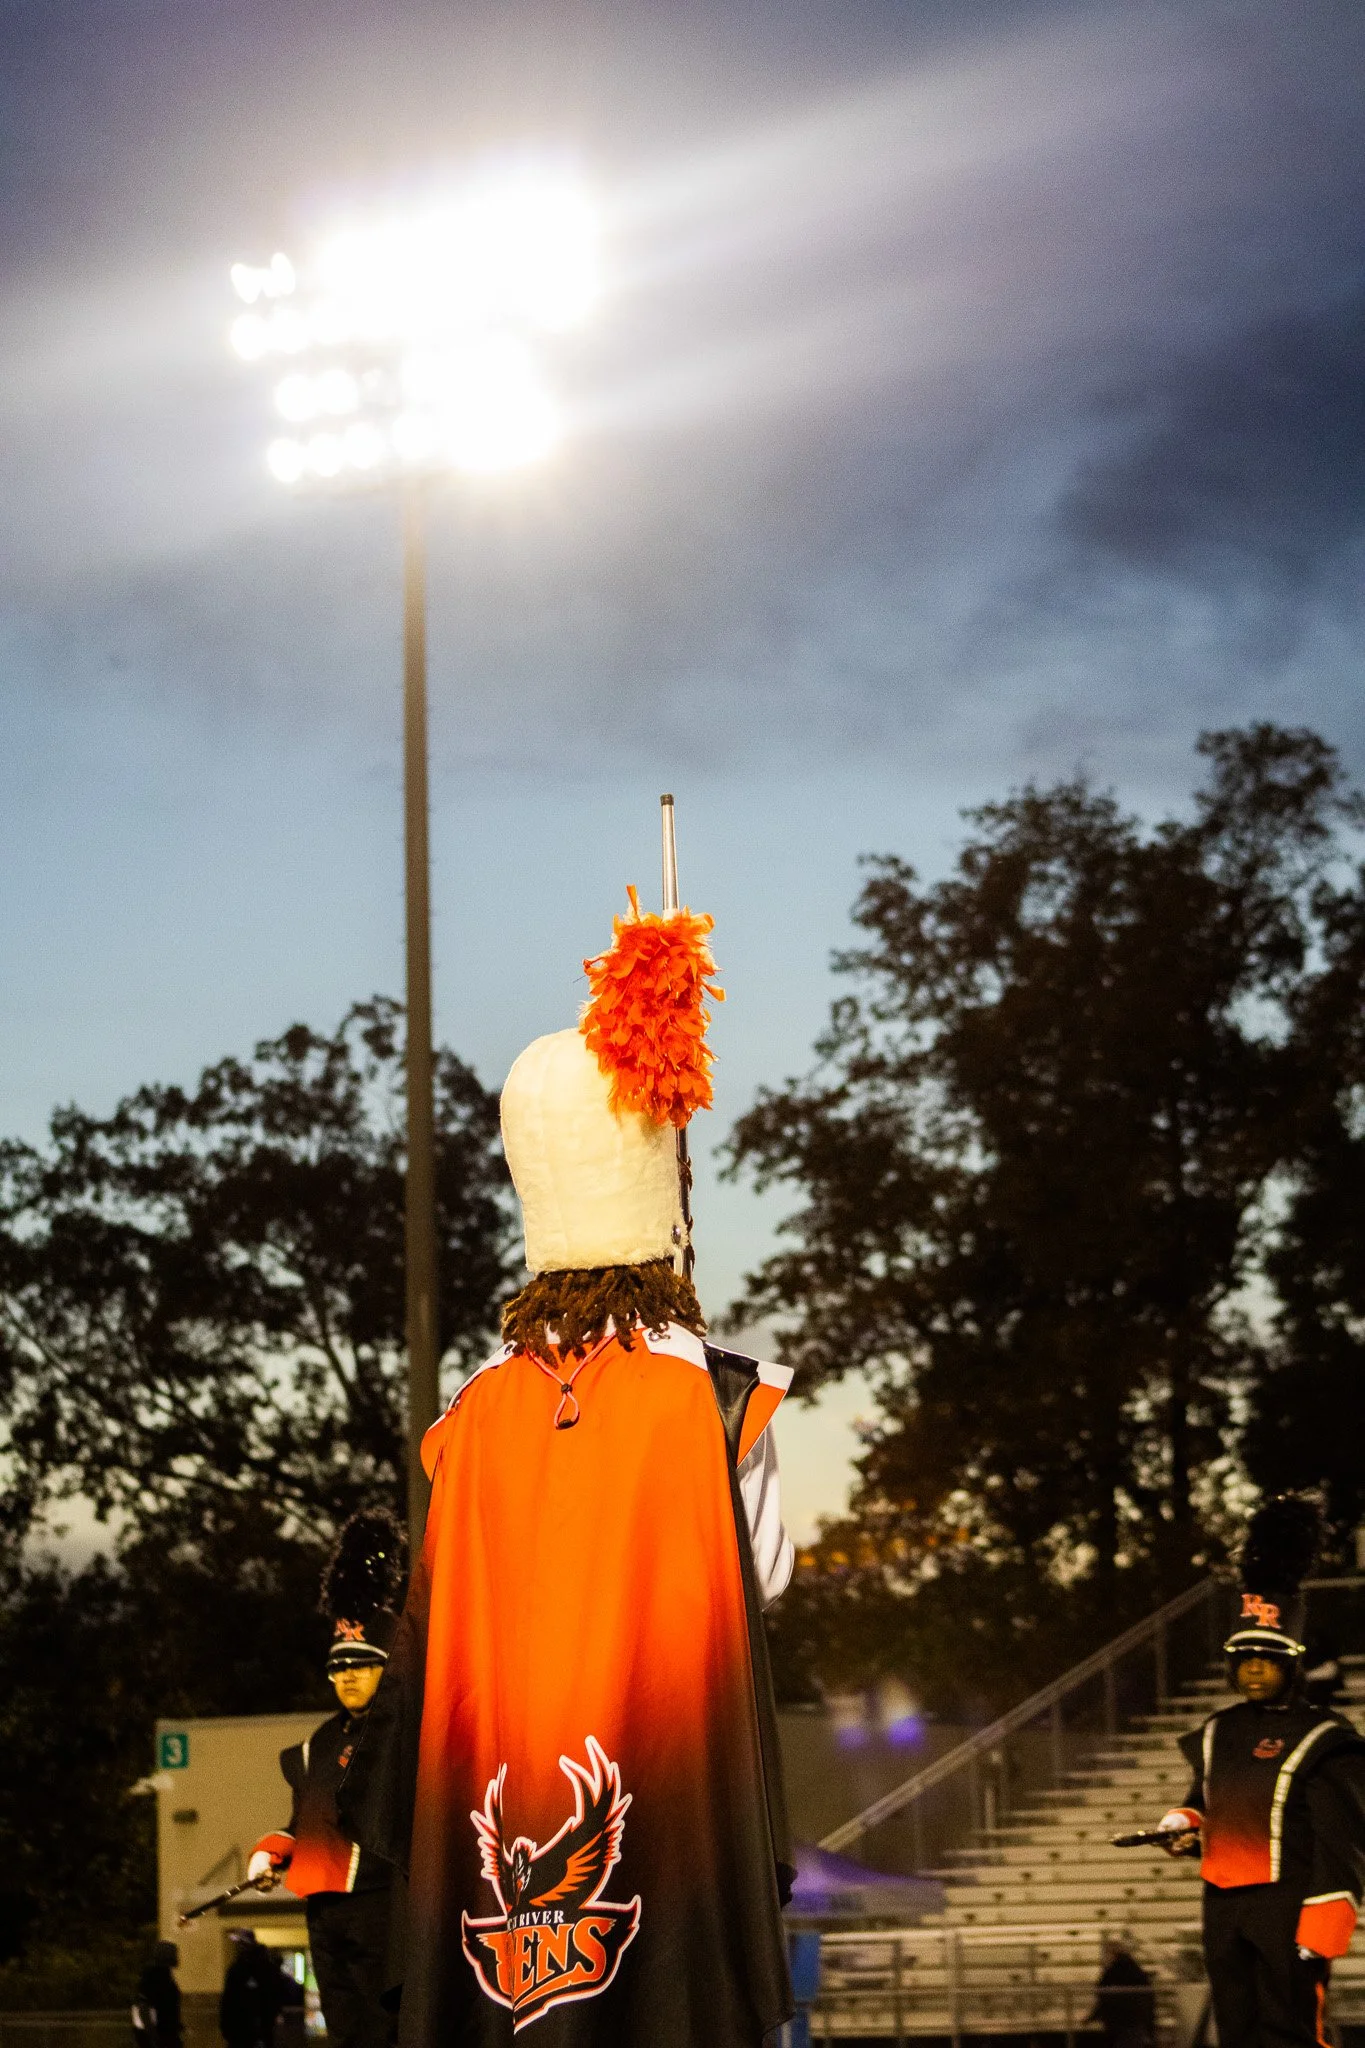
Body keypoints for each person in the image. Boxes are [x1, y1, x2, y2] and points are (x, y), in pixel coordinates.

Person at [341, 886, 796, 2047]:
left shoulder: (470, 1415)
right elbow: (769, 1576)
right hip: (671, 1845)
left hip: (498, 1882)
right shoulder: (715, 1392)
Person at [1153, 1496, 1365, 2048]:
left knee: (1290, 2030)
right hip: (1223, 1904)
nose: (1253, 1667)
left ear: (1290, 1665)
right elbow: (1204, 1800)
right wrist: (1181, 1825)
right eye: (1244, 1656)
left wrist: (1323, 1925)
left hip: (1289, 1906)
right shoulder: (1218, 1729)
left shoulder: (1326, 1736)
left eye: (1266, 1658)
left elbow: (1343, 1844)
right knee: (1236, 2030)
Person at [248, 1511, 403, 2048]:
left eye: (363, 1665)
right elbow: (304, 1823)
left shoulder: (404, 1733)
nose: (349, 1676)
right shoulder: (318, 1742)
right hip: (322, 1904)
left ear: (387, 1669)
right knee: (344, 2031)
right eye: (340, 1667)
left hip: (380, 1902)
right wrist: (271, 1854)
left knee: (387, 2027)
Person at [219, 1930, 296, 2048]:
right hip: (241, 2033)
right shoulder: (238, 1969)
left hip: (257, 2031)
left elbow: (271, 1998)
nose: (239, 1947)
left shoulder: (262, 1968)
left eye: (242, 1943)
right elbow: (229, 2001)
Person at [1084, 1934, 1155, 2048]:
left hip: (1121, 2025)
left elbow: (1105, 1997)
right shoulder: (1134, 1969)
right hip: (1135, 2024)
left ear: (1111, 1954)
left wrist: (1091, 2017)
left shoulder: (1113, 1972)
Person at [132, 1940, 182, 2048]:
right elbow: (144, 2007)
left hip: (166, 2035)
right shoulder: (154, 1976)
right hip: (161, 2038)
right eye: (173, 1953)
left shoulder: (165, 1974)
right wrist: (153, 2036)